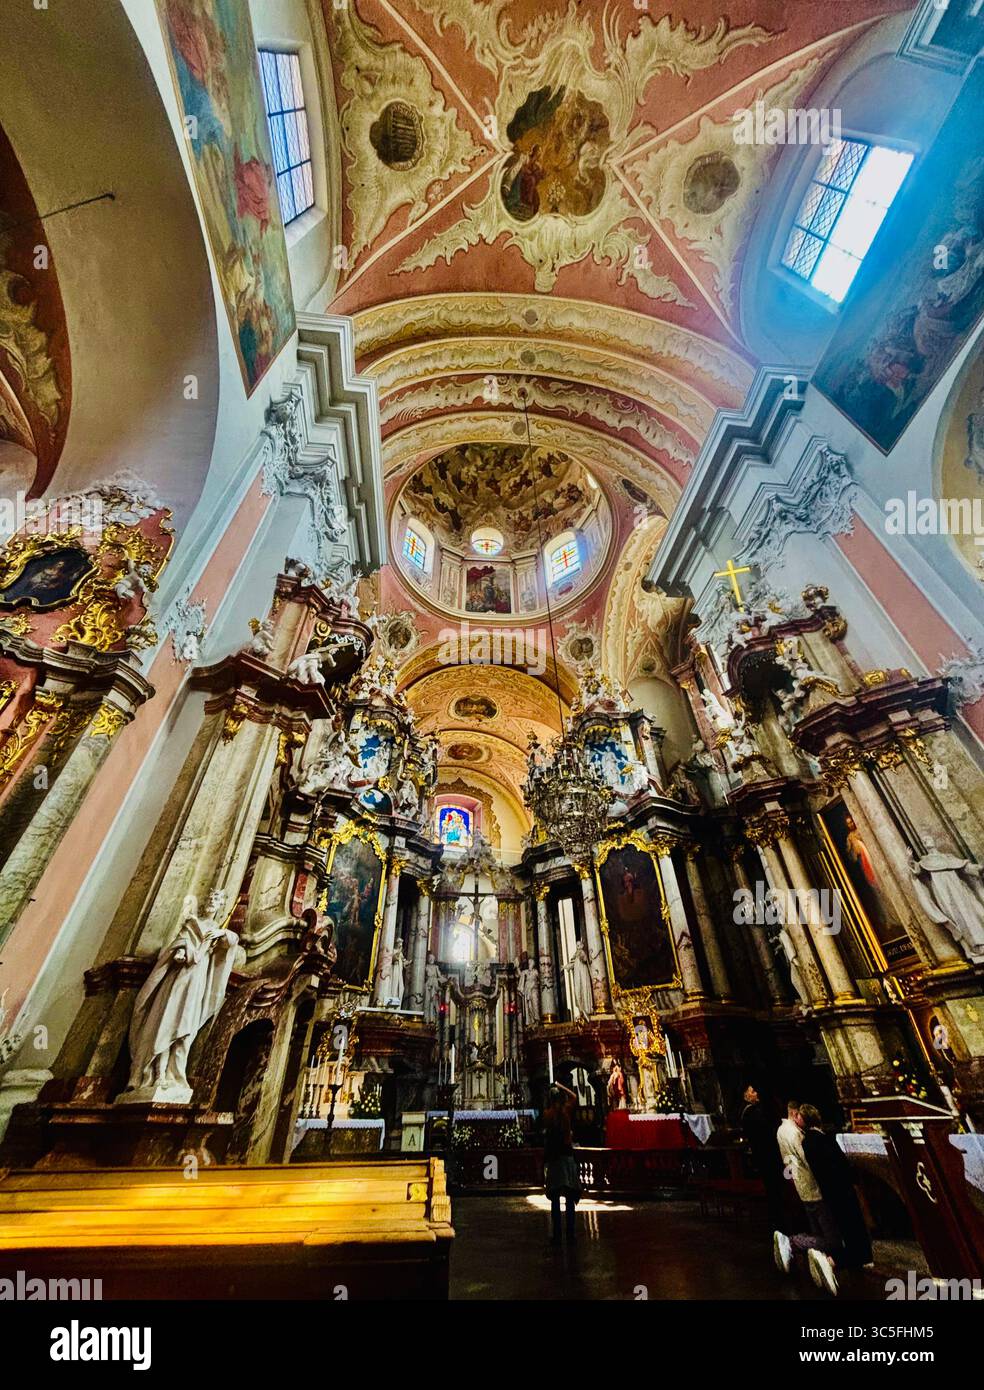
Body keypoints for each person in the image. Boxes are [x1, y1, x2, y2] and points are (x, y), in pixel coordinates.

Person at [800, 1102, 872, 1286]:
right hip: (841, 1187)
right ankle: (837, 1260)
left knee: (845, 1226)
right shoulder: (825, 1139)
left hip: (828, 1190)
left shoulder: (806, 1141)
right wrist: (852, 1179)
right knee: (854, 1223)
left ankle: (843, 1258)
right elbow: (840, 1164)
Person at [773, 1101, 840, 1295]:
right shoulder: (794, 1133)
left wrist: (791, 1179)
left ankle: (819, 1262)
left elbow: (787, 1163)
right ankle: (792, 1242)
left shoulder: (780, 1130)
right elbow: (807, 1159)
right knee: (831, 1238)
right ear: (795, 1114)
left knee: (819, 1232)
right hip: (812, 1186)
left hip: (801, 1185)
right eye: (799, 1115)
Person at [739, 1083, 784, 1231]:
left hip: (769, 1152)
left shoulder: (762, 1110)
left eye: (756, 1091)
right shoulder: (750, 1112)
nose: (755, 1094)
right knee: (773, 1186)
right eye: (752, 1091)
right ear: (746, 1095)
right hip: (764, 1152)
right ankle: (777, 1218)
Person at [543, 1081, 580, 1246]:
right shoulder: (565, 1111)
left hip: (554, 1156)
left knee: (555, 1198)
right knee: (570, 1196)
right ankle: (571, 1233)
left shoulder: (547, 1114)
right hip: (566, 1153)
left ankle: (557, 1233)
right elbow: (574, 1097)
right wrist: (561, 1085)